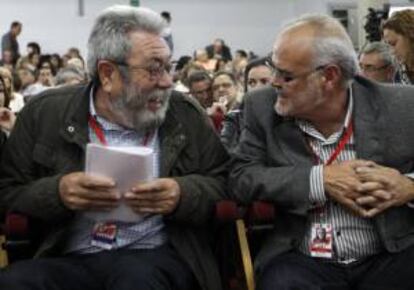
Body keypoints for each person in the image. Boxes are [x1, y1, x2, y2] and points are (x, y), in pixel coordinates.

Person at [0, 5, 229, 290]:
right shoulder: (44, 114)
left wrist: (182, 193)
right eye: (154, 69)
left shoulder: (184, 114)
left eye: (168, 67)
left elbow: (224, 183)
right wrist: (57, 192)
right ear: (107, 74)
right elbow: (8, 191)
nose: (168, 81)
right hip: (68, 255)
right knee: (14, 282)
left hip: (154, 254)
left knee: (136, 280)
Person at [230, 14, 414, 290]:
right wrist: (320, 180)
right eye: (274, 67)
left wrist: (409, 186)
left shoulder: (402, 105)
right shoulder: (261, 106)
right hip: (302, 257)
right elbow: (240, 177)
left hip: (389, 252)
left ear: (329, 76)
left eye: (286, 75)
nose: (275, 82)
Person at [382, 9, 414, 84]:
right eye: (389, 46)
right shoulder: (399, 74)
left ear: (410, 36)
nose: (392, 51)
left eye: (393, 44)